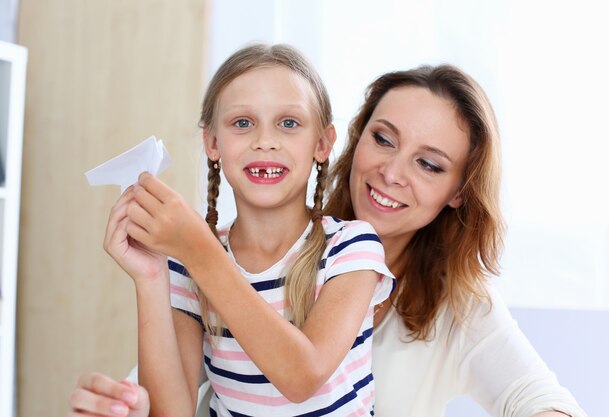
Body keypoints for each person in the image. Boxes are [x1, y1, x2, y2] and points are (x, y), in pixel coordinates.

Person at [69, 63, 587, 417]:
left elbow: (541, 399)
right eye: (383, 139)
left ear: (459, 192)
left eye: (429, 164)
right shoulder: (232, 259)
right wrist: (132, 405)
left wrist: (197, 251)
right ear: (349, 139)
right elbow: (164, 396)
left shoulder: (459, 307)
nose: (391, 172)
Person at [70, 43, 394, 417]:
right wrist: (150, 276)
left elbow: (302, 377)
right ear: (212, 143)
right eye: (242, 123)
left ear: (322, 143)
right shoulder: (189, 267)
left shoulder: (351, 247)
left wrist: (196, 250)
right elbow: (171, 412)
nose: (265, 141)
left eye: (289, 123)